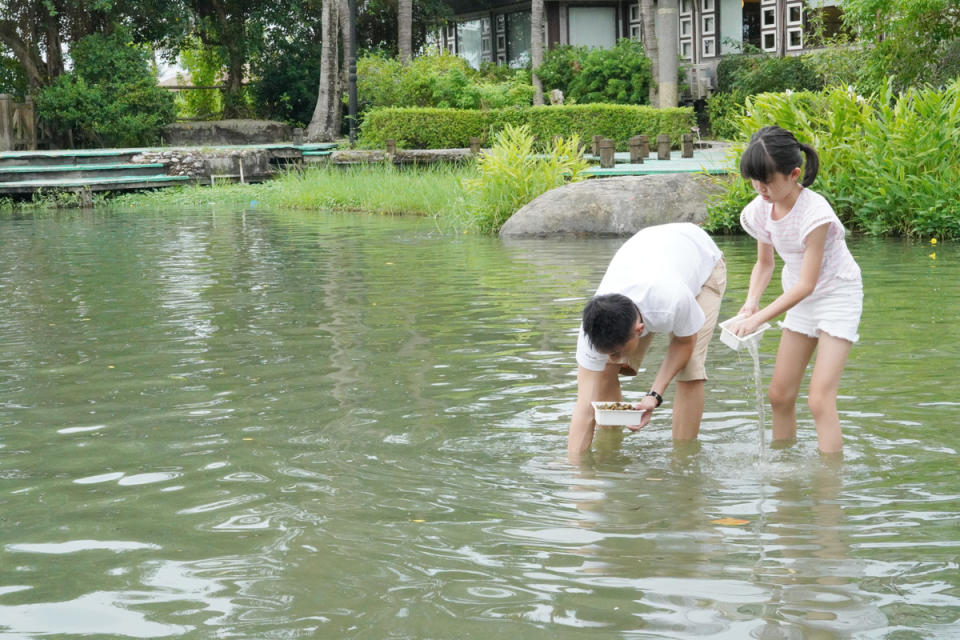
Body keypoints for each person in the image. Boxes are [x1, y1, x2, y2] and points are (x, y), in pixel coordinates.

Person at [730, 125, 862, 454]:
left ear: (794, 174)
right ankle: (784, 468)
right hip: (799, 297)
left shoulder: (815, 214)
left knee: (819, 400)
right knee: (779, 394)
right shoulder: (761, 208)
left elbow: (808, 283)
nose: (760, 188)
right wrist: (749, 306)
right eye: (754, 180)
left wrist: (760, 318)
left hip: (836, 296)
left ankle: (829, 489)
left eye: (768, 180)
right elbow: (764, 265)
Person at [568, 222, 726, 458]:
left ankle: (682, 460)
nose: (616, 359)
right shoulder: (591, 327)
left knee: (690, 368)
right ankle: (610, 450)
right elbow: (584, 408)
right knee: (603, 371)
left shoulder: (673, 302)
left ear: (640, 330)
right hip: (650, 248)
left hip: (702, 262)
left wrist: (654, 395)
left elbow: (684, 343)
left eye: (618, 352)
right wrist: (577, 473)